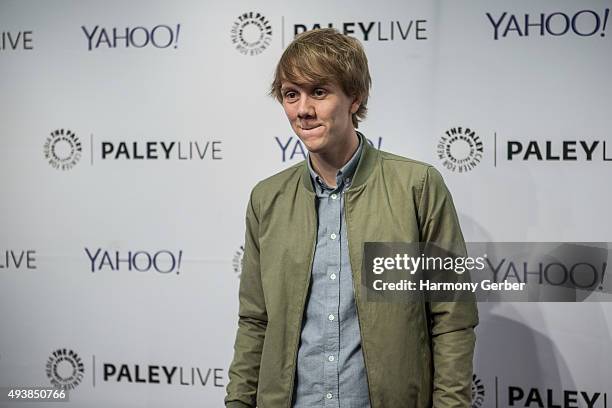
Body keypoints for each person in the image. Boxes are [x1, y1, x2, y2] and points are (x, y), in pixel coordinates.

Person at [225, 28, 478, 408]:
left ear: (354, 97)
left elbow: (452, 318)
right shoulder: (268, 198)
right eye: (291, 94)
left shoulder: (418, 187)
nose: (303, 109)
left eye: (319, 92)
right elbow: (255, 322)